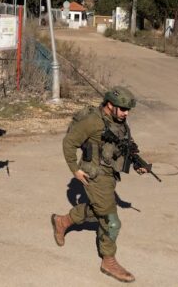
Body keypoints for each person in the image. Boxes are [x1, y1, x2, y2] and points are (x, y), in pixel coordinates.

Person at [50, 86, 146, 283]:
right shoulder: (92, 121)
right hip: (94, 175)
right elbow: (69, 142)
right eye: (123, 109)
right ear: (110, 105)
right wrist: (74, 170)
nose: (126, 113)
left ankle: (63, 221)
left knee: (98, 209)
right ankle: (108, 261)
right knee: (111, 221)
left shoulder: (119, 120)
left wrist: (137, 162)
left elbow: (125, 143)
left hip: (110, 174)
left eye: (128, 110)